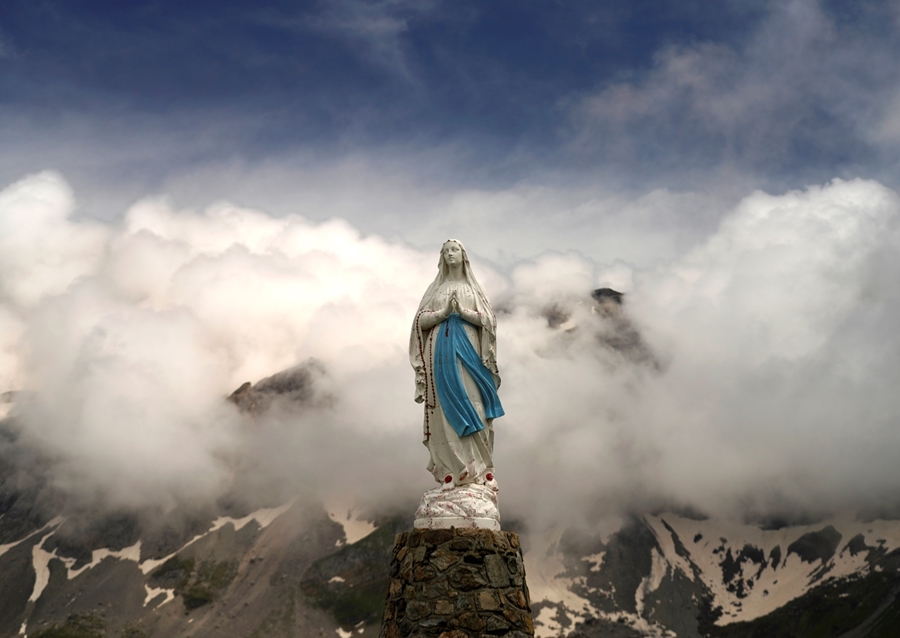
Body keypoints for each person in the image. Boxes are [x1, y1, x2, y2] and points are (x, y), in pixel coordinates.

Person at [409, 239, 504, 491]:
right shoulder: (435, 289)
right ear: (441, 257)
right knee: (443, 407)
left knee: (475, 402)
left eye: (455, 250)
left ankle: (481, 468)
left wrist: (463, 313)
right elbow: (420, 322)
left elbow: (488, 321)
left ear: (463, 256)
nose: (451, 254)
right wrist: (441, 315)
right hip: (440, 351)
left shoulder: (473, 288)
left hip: (469, 350)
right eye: (446, 250)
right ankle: (451, 470)